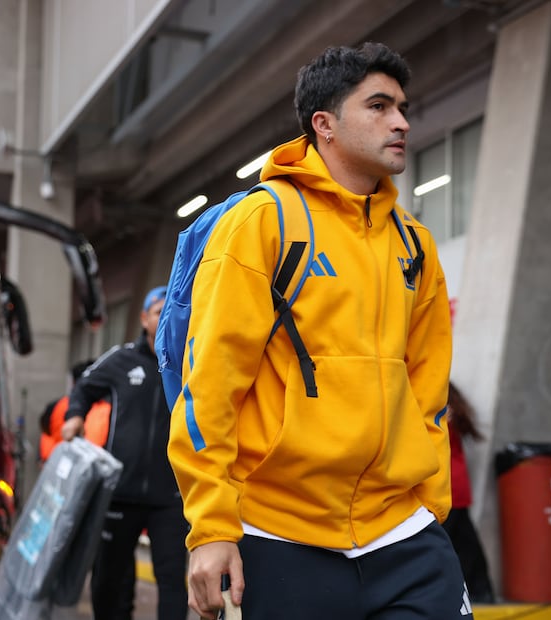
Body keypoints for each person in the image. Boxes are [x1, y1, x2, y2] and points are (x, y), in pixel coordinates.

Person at [167, 42, 468, 619]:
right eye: (379, 106)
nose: (401, 121)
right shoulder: (263, 220)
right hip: (281, 536)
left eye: (403, 107)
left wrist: (432, 506)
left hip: (403, 535)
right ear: (323, 124)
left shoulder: (414, 245)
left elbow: (429, 390)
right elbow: (209, 388)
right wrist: (210, 528)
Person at [62, 286, 189, 620]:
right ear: (144, 318)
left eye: (171, 311)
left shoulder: (189, 362)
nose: (164, 318)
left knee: (174, 579)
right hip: (120, 493)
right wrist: (74, 415)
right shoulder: (121, 360)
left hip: (170, 496)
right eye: (158, 311)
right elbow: (85, 386)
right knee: (109, 578)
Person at [444, 383, 495, 604]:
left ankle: (476, 591)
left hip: (448, 491)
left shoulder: (442, 422)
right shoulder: (451, 420)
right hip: (455, 491)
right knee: (466, 543)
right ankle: (481, 591)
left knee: (453, 546)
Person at [38, 359, 110, 462]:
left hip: (58, 463)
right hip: (91, 466)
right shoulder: (107, 407)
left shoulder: (57, 405)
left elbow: (45, 430)